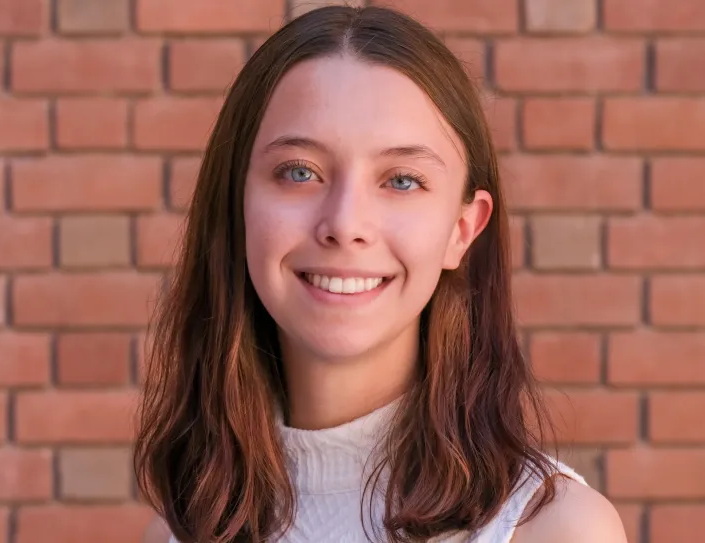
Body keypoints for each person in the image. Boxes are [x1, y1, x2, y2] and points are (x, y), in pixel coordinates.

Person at [135, 5, 627, 543]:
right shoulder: (181, 531)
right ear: (237, 205)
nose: (345, 225)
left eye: (402, 181)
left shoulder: (554, 530)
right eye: (300, 171)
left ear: (463, 229)